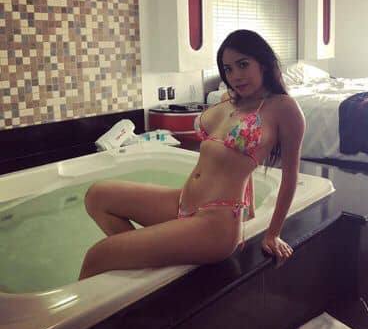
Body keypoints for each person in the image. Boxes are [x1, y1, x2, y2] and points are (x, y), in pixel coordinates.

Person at [79, 30, 305, 280]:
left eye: (243, 64)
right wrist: (249, 205)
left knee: (98, 256)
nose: (235, 76)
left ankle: (132, 259)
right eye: (228, 69)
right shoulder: (229, 100)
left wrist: (273, 234)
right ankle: (143, 266)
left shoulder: (283, 108)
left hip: (215, 224)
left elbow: (290, 178)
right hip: (184, 202)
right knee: (97, 196)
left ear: (262, 62)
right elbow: (233, 158)